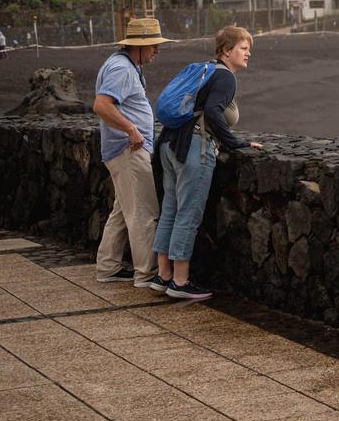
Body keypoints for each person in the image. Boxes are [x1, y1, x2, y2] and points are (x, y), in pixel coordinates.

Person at [151, 26, 261, 300]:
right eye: (243, 48)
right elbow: (213, 111)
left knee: (170, 210)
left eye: (249, 48)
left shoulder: (206, 69)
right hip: (193, 147)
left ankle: (162, 275)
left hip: (169, 143)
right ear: (226, 50)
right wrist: (236, 142)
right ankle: (180, 281)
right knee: (188, 212)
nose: (248, 53)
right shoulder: (225, 77)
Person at [92, 17, 170, 286]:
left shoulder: (123, 65)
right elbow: (102, 105)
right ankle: (146, 274)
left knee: (123, 212)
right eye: (152, 46)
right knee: (144, 213)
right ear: (137, 46)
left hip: (121, 149)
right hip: (128, 150)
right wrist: (131, 129)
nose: (156, 51)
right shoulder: (122, 69)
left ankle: (108, 267)